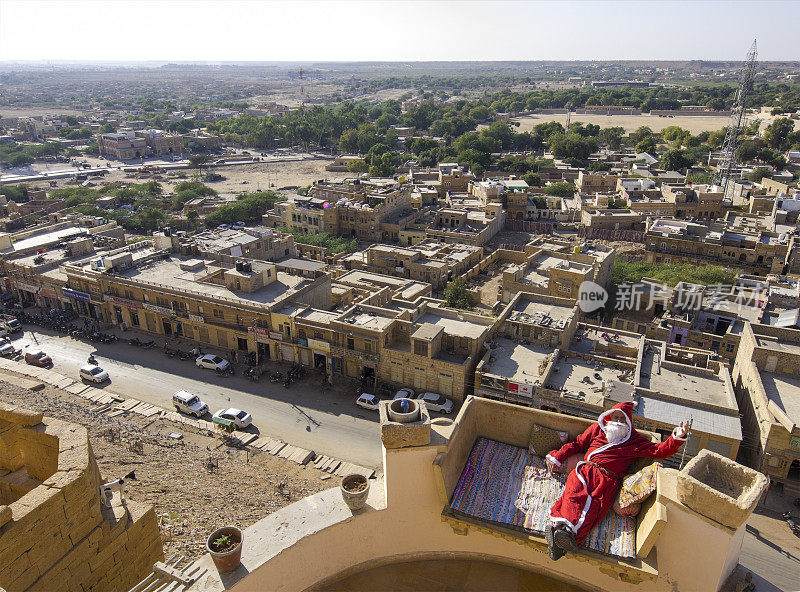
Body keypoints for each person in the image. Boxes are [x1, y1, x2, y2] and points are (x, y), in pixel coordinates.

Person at [544, 401, 688, 561]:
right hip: (585, 471)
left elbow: (659, 450)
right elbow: (578, 444)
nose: (619, 421)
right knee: (573, 494)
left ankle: (561, 536)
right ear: (609, 417)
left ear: (629, 421)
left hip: (607, 481)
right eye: (616, 417)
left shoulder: (635, 441)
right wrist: (558, 456)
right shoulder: (597, 429)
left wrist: (677, 437)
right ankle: (564, 536)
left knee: (593, 508)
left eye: (623, 418)